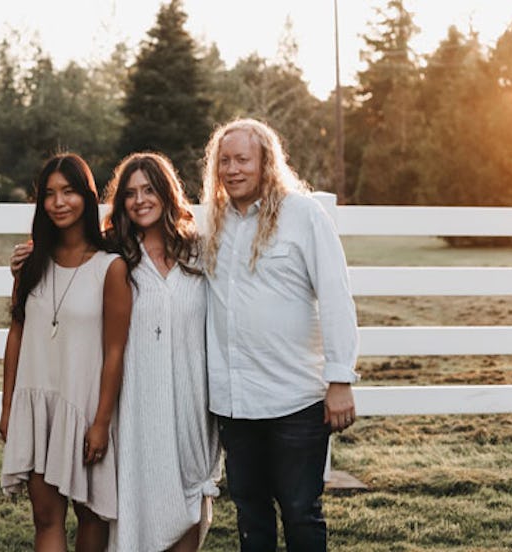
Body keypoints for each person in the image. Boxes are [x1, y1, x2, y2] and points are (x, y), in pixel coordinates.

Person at [11, 152, 220, 552]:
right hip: (135, 404)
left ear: (167, 192)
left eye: (149, 189)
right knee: (131, 504)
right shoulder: (118, 255)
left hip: (191, 400)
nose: (140, 200)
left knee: (191, 495)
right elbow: (69, 256)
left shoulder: (200, 253)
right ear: (119, 201)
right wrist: (26, 257)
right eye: (130, 193)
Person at [201, 119, 359, 552]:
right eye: (225, 161)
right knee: (250, 512)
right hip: (235, 402)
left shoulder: (303, 215)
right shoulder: (214, 224)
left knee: (299, 511)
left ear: (266, 162)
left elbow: (336, 297)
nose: (232, 170)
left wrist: (340, 379)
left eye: (242, 160)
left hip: (296, 400)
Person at [0, 153, 132, 552]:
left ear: (88, 198)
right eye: (50, 194)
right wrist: (7, 407)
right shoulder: (31, 262)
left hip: (85, 407)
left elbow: (115, 352)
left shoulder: (111, 267)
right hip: (39, 404)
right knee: (45, 518)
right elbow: (17, 334)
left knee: (91, 515)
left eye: (69, 192)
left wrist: (100, 422)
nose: (59, 202)